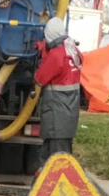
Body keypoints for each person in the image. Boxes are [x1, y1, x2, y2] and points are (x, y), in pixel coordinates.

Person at [33, 16, 83, 168]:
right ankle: (42, 188)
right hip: (68, 114)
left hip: (56, 113)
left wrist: (44, 55)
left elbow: (40, 78)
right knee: (58, 155)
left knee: (55, 160)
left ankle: (55, 189)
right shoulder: (73, 51)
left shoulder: (56, 55)